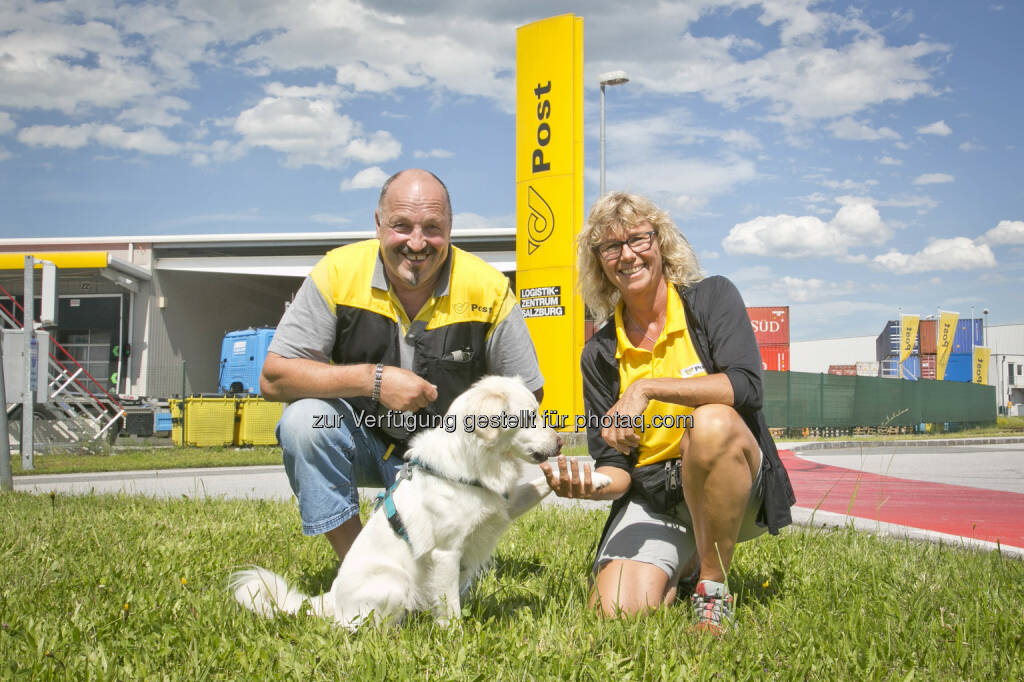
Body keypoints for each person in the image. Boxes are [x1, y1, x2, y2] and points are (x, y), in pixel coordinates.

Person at [540, 192, 795, 633]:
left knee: (710, 421)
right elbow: (617, 468)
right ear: (599, 262)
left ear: (660, 243)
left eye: (638, 239)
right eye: (610, 247)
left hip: (728, 483)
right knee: (616, 613)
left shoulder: (710, 297)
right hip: (654, 497)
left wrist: (646, 388)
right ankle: (688, 559)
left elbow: (746, 387)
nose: (627, 255)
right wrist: (590, 487)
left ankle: (712, 590)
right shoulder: (599, 353)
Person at [261, 169, 544, 562]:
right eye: (401, 226)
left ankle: (451, 552)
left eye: (432, 227)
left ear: (450, 227)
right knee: (304, 423)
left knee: (446, 584)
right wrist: (373, 380)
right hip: (363, 437)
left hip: (451, 455)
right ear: (378, 225)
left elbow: (528, 394)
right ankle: (358, 564)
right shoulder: (337, 272)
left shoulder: (489, 287)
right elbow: (275, 377)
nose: (416, 242)